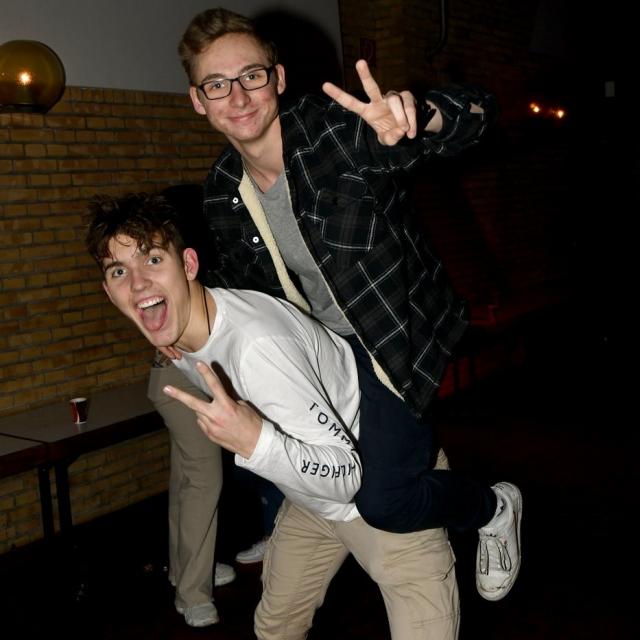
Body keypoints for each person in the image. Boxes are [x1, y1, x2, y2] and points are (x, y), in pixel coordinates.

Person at [176, 4, 521, 602]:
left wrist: (423, 116)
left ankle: (491, 507)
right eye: (217, 84)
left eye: (252, 75)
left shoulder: (337, 131)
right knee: (302, 469)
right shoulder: (221, 193)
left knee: (386, 501)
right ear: (198, 100)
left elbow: (480, 113)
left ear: (278, 79)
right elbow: (242, 289)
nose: (238, 96)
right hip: (321, 352)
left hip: (393, 337)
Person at [85, 193, 517, 639]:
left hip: (379, 481)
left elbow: (349, 475)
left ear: (189, 264)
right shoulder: (182, 330)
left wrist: (255, 443)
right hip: (312, 496)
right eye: (119, 271)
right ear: (108, 291)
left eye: (153, 259)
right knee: (275, 629)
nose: (138, 284)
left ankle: (493, 506)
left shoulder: (257, 349)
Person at [146, 184, 236, 628]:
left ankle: (186, 570)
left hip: (181, 377)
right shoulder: (178, 261)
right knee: (203, 479)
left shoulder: (196, 259)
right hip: (180, 380)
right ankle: (193, 594)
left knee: (187, 480)